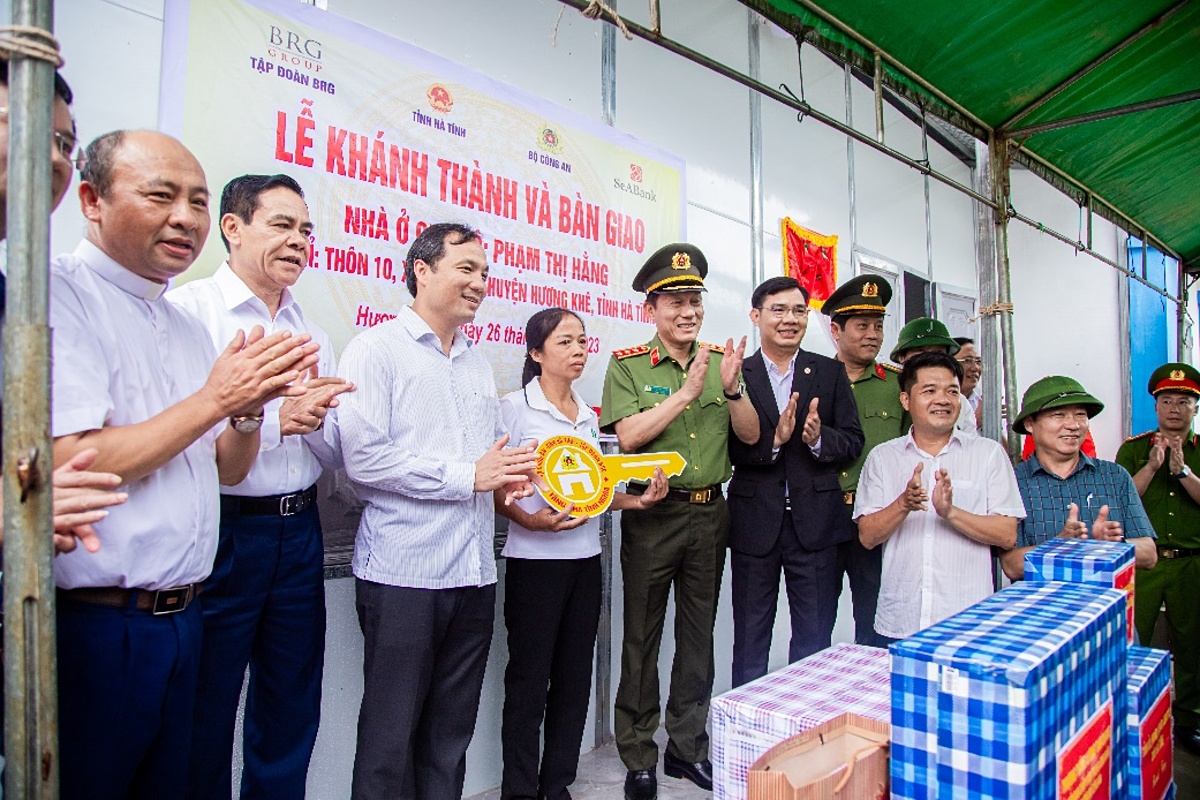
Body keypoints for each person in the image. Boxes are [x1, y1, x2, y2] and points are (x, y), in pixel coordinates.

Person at [49, 130, 320, 800]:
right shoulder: (62, 293)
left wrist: (252, 411)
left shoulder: (183, 324)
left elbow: (226, 467)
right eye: (162, 197)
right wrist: (217, 399)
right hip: (101, 621)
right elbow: (77, 460)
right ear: (91, 199)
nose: (185, 218)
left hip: (185, 612)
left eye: (195, 201)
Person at [168, 174, 355, 799]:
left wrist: (325, 418)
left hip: (299, 529)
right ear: (232, 226)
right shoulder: (190, 314)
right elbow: (181, 439)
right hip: (223, 529)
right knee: (207, 701)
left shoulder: (313, 332)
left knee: (291, 698)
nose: (299, 241)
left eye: (306, 230)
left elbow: (324, 450)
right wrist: (275, 421)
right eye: (282, 225)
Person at [336, 222, 538, 800]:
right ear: (422, 271)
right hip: (405, 575)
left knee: (451, 737)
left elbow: (490, 459)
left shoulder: (476, 362)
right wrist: (467, 477)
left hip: (473, 575)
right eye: (466, 269)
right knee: (388, 738)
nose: (480, 283)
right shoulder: (375, 350)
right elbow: (365, 459)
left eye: (485, 273)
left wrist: (511, 477)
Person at [599, 243, 758, 799]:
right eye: (675, 303)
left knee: (698, 637)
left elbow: (751, 436)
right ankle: (638, 754)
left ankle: (686, 750)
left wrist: (731, 388)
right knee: (640, 637)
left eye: (695, 301)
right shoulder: (627, 366)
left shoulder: (722, 363)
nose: (687, 312)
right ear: (651, 309)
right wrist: (686, 393)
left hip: (710, 515)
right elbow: (626, 437)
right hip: (651, 516)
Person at [496, 307, 667, 800]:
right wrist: (530, 519)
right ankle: (519, 790)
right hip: (534, 565)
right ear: (536, 353)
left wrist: (638, 499)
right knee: (529, 683)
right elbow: (495, 489)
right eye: (565, 342)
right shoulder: (515, 408)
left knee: (574, 680)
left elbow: (597, 491)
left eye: (582, 341)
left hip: (585, 562)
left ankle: (558, 785)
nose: (578, 350)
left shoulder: (589, 415)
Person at [0, 65, 127, 553]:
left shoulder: (11, 293)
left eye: (64, 144)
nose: (55, 159)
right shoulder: (56, 290)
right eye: (35, 131)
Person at [726, 276, 862, 685]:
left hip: (817, 525)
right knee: (750, 640)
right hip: (755, 524)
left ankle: (808, 736)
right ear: (756, 316)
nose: (790, 319)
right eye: (778, 310)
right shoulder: (736, 373)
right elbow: (729, 448)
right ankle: (747, 740)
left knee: (813, 640)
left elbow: (854, 439)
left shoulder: (828, 372)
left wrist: (820, 440)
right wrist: (774, 443)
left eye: (799, 311)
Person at [855, 352, 1024, 643]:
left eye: (952, 391)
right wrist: (903, 504)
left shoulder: (988, 454)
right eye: (929, 391)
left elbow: (1007, 535)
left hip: (970, 622)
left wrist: (950, 513)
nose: (943, 400)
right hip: (901, 621)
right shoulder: (883, 457)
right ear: (906, 401)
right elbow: (867, 537)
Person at [1115, 363, 1200, 755]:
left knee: (1193, 644)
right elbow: (1122, 500)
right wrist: (1152, 465)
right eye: (1167, 400)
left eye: (1184, 401)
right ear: (1156, 404)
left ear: (1195, 408)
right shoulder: (1134, 448)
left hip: (1191, 562)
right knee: (1133, 638)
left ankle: (1189, 719)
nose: (1175, 409)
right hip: (1144, 559)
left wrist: (1181, 470)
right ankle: (1130, 716)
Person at [998, 375, 1157, 583]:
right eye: (1059, 415)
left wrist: (1111, 547)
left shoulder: (1114, 476)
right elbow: (1012, 565)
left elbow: (1149, 554)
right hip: (1040, 607)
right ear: (1029, 423)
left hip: (1104, 607)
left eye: (1080, 415)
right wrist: (1060, 546)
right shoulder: (1013, 482)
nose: (1073, 425)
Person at [823, 275, 905, 647]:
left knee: (874, 621)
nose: (872, 334)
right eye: (861, 326)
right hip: (822, 516)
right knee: (815, 620)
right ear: (836, 330)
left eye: (878, 326)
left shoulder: (896, 385)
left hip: (876, 516)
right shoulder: (815, 379)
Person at [890, 317, 975, 435]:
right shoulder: (884, 393)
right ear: (902, 357)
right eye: (920, 352)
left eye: (938, 353)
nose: (929, 359)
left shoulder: (959, 403)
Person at [953, 337, 983, 432]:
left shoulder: (982, 400)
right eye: (967, 361)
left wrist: (995, 424)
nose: (975, 368)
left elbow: (1006, 446)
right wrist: (977, 421)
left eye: (978, 361)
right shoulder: (939, 401)